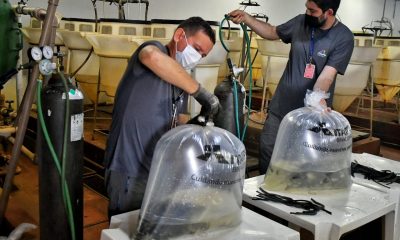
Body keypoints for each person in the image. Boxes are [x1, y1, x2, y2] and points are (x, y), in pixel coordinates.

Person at [103, 17, 219, 217]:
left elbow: (179, 124)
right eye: (197, 48)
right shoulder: (154, 49)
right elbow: (151, 57)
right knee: (124, 227)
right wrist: (201, 93)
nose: (197, 57)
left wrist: (198, 127)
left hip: (155, 170)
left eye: (203, 55)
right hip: (128, 167)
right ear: (179, 35)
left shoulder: (178, 80)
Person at [229, 0, 354, 174]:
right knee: (268, 148)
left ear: (329, 12)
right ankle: (265, 191)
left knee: (301, 160)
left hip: (310, 113)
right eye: (307, 8)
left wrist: (316, 99)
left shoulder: (343, 37)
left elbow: (327, 75)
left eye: (313, 11)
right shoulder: (301, 22)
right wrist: (247, 18)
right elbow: (272, 32)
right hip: (281, 105)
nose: (307, 13)